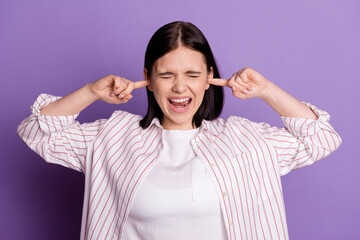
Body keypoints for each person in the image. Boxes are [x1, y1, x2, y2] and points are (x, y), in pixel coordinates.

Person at [17, 21, 341, 240]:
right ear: (148, 77)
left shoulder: (246, 141)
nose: (180, 87)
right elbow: (37, 132)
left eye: (192, 73)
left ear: (210, 76)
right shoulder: (113, 137)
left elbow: (321, 138)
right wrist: (90, 91)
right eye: (166, 74)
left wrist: (267, 89)